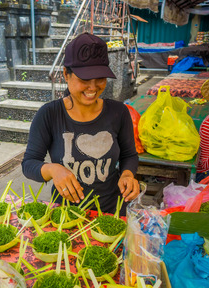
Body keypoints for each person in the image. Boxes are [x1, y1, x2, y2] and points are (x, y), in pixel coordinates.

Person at [21, 32, 140, 214]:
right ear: (66, 75)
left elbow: (129, 155)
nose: (93, 87)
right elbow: (29, 163)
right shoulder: (49, 114)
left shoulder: (119, 112)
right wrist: (53, 169)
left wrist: (127, 174)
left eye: (100, 78)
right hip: (65, 215)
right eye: (84, 79)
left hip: (111, 212)